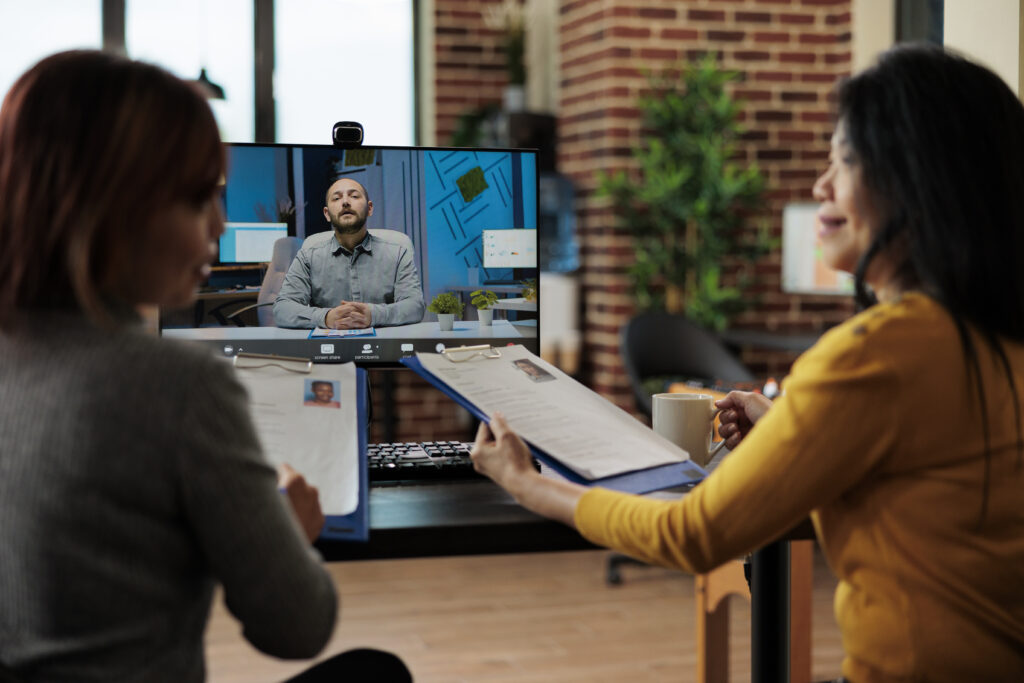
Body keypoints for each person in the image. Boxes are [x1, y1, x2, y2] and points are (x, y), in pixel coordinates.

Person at [471, 44, 1024, 682]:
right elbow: (922, 505)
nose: (821, 185)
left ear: (919, 177)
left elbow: (694, 533)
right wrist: (792, 436)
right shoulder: (991, 334)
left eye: (844, 159)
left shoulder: (878, 353)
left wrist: (531, 485)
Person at [0, 51, 410, 682]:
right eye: (197, 199)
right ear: (113, 205)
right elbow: (298, 627)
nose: (218, 226)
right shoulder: (179, 385)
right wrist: (286, 534)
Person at [272, 176, 425, 329]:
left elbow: (415, 306)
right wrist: (326, 318)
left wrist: (374, 315)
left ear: (369, 208)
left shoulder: (397, 253)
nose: (345, 202)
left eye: (354, 196)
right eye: (336, 198)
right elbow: (282, 309)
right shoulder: (308, 256)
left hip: (384, 346)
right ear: (326, 213)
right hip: (328, 347)